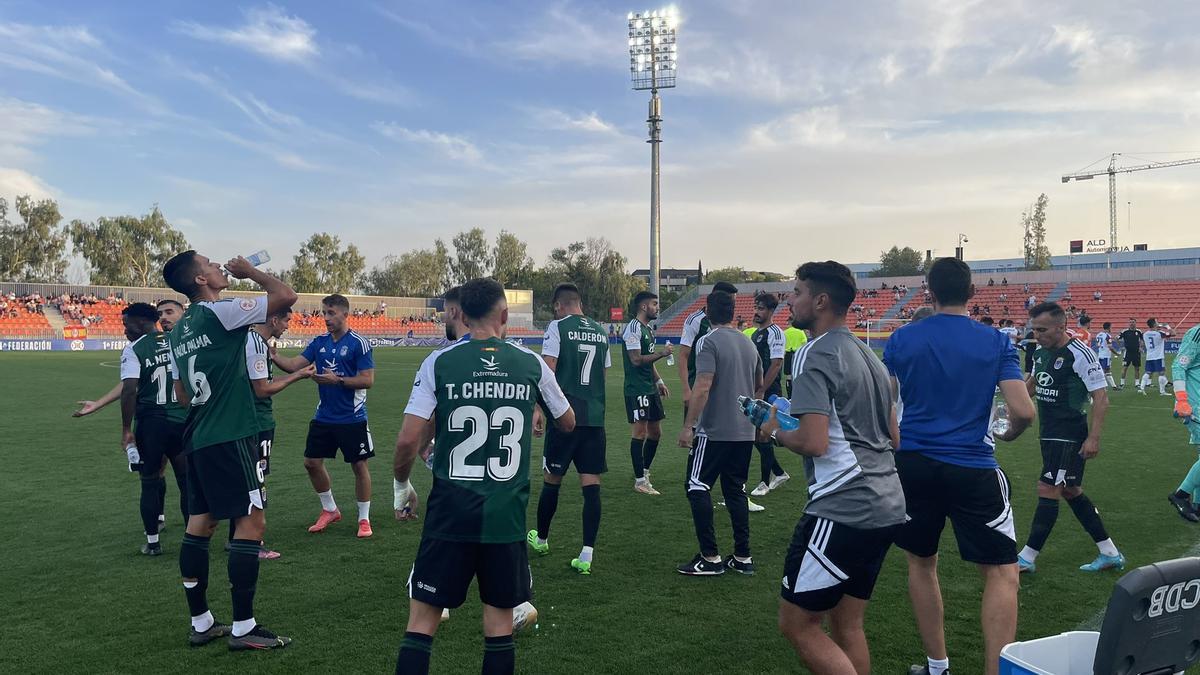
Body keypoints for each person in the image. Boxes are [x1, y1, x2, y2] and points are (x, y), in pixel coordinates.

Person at [391, 278, 574, 675]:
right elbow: (568, 420)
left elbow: (407, 441)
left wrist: (402, 485)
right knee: (498, 629)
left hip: (449, 515)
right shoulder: (529, 362)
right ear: (504, 316)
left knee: (421, 624)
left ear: (460, 313)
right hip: (505, 518)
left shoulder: (439, 361)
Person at [884, 257, 1036, 675]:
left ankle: (937, 666)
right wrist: (1008, 434)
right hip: (972, 466)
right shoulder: (995, 341)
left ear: (927, 291)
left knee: (921, 561)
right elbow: (1022, 410)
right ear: (972, 293)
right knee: (1003, 572)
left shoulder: (902, 340)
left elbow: (882, 404)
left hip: (913, 464)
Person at [760, 261, 906, 675]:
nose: (792, 300)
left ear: (820, 300)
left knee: (798, 624)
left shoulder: (814, 352)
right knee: (847, 622)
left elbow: (813, 442)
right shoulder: (869, 356)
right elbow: (893, 437)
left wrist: (772, 429)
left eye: (798, 292)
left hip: (845, 505)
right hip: (888, 503)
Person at [162, 249, 297, 649]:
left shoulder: (178, 332)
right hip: (232, 434)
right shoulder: (217, 312)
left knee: (199, 525)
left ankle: (201, 621)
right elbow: (285, 295)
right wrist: (249, 272)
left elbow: (182, 393)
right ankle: (244, 627)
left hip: (199, 437)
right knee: (251, 522)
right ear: (200, 279)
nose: (219, 266)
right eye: (211, 264)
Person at [1017, 302, 1124, 575]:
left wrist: (1093, 438)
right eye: (1034, 330)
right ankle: (1109, 552)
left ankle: (1027, 558)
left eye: (1042, 329)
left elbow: (1101, 399)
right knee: (1070, 490)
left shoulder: (1080, 353)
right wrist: (1010, 406)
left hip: (1068, 434)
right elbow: (1031, 385)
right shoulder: (1040, 352)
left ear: (1061, 326)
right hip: (1049, 434)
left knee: (1048, 487)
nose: (1037, 335)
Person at [273, 294, 377, 538]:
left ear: (345, 314)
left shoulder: (358, 344)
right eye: (324, 313)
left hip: (352, 417)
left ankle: (364, 519)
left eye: (331, 313)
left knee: (359, 466)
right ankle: (330, 509)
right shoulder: (319, 342)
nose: (326, 318)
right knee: (311, 463)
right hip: (324, 416)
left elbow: (367, 380)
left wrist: (337, 380)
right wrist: (274, 356)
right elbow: (294, 365)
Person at [675, 290, 762, 576]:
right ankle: (742, 556)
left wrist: (689, 425)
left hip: (714, 431)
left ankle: (710, 557)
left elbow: (703, 384)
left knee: (697, 486)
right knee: (735, 491)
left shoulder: (708, 341)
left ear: (708, 311)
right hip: (743, 432)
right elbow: (759, 383)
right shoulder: (748, 343)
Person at [527, 283, 610, 575]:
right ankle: (587, 554)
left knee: (552, 480)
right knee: (591, 486)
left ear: (559, 306)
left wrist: (539, 409)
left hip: (565, 417)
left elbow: (548, 368)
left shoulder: (557, 327)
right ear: (580, 303)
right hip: (594, 418)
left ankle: (542, 539)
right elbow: (602, 373)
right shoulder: (602, 332)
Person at [118, 302, 191, 556]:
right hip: (181, 419)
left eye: (127, 324)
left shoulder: (134, 349)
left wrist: (127, 429)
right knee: (186, 481)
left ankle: (152, 543)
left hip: (151, 423)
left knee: (149, 481)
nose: (124, 330)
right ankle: (192, 538)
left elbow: (129, 389)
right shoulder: (176, 341)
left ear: (140, 323)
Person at [245, 307, 316, 559]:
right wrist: (297, 376)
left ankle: (239, 539)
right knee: (256, 479)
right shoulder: (254, 342)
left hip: (253, 419)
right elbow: (262, 390)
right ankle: (252, 542)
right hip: (256, 421)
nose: (287, 325)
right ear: (273, 319)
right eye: (286, 320)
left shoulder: (255, 341)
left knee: (250, 478)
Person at [621, 290, 672, 495]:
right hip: (637, 390)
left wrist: (658, 380)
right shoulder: (633, 328)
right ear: (643, 306)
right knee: (640, 432)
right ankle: (640, 481)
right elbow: (636, 359)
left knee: (656, 432)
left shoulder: (647, 329)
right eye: (654, 304)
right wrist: (662, 354)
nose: (657, 307)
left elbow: (647, 360)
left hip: (649, 388)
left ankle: (644, 471)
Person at [747, 292, 790, 498]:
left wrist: (763, 388)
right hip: (758, 389)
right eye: (756, 308)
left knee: (763, 436)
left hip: (770, 392)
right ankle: (779, 473)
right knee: (757, 437)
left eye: (761, 308)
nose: (756, 312)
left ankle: (764, 483)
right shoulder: (756, 334)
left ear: (771, 311)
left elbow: (777, 363)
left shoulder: (776, 333)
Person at [678, 282, 739, 414]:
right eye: (730, 301)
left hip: (721, 388)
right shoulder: (695, 320)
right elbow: (683, 355)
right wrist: (686, 390)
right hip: (697, 385)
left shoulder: (726, 321)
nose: (732, 306)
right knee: (694, 428)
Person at [1169, 324, 1200, 522]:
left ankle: (1197, 505)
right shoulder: (1197, 333)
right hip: (1194, 405)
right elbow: (1178, 365)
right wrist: (1181, 400)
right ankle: (1180, 495)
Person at [1142, 318, 1171, 396]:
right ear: (1154, 324)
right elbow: (1173, 333)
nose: (1158, 323)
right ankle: (1162, 391)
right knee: (1161, 373)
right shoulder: (1160, 333)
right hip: (1158, 356)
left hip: (1149, 356)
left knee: (1148, 372)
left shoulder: (1145, 334)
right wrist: (1168, 327)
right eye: (1157, 322)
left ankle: (1142, 388)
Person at [1117, 319, 1144, 391]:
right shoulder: (1125, 331)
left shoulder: (1139, 331)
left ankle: (1137, 383)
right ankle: (1122, 383)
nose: (1131, 324)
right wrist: (1121, 347)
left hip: (1136, 352)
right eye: (1130, 322)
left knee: (1137, 368)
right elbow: (1117, 338)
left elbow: (1141, 340)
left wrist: (1141, 347)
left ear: (1136, 323)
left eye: (1133, 322)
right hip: (1127, 353)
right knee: (1125, 368)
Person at [783, 323, 809, 398]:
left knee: (788, 375)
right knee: (797, 373)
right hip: (797, 354)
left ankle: (789, 394)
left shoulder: (785, 332)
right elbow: (805, 343)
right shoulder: (800, 332)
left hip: (788, 355)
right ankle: (798, 393)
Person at [1094, 322, 1117, 389]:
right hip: (1106, 356)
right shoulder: (1107, 336)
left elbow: (1097, 345)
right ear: (1109, 327)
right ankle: (1101, 386)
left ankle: (1114, 386)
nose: (1111, 328)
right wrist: (1116, 353)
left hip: (1100, 355)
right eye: (1111, 327)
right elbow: (1110, 347)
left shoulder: (1098, 335)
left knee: (1107, 370)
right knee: (1104, 371)